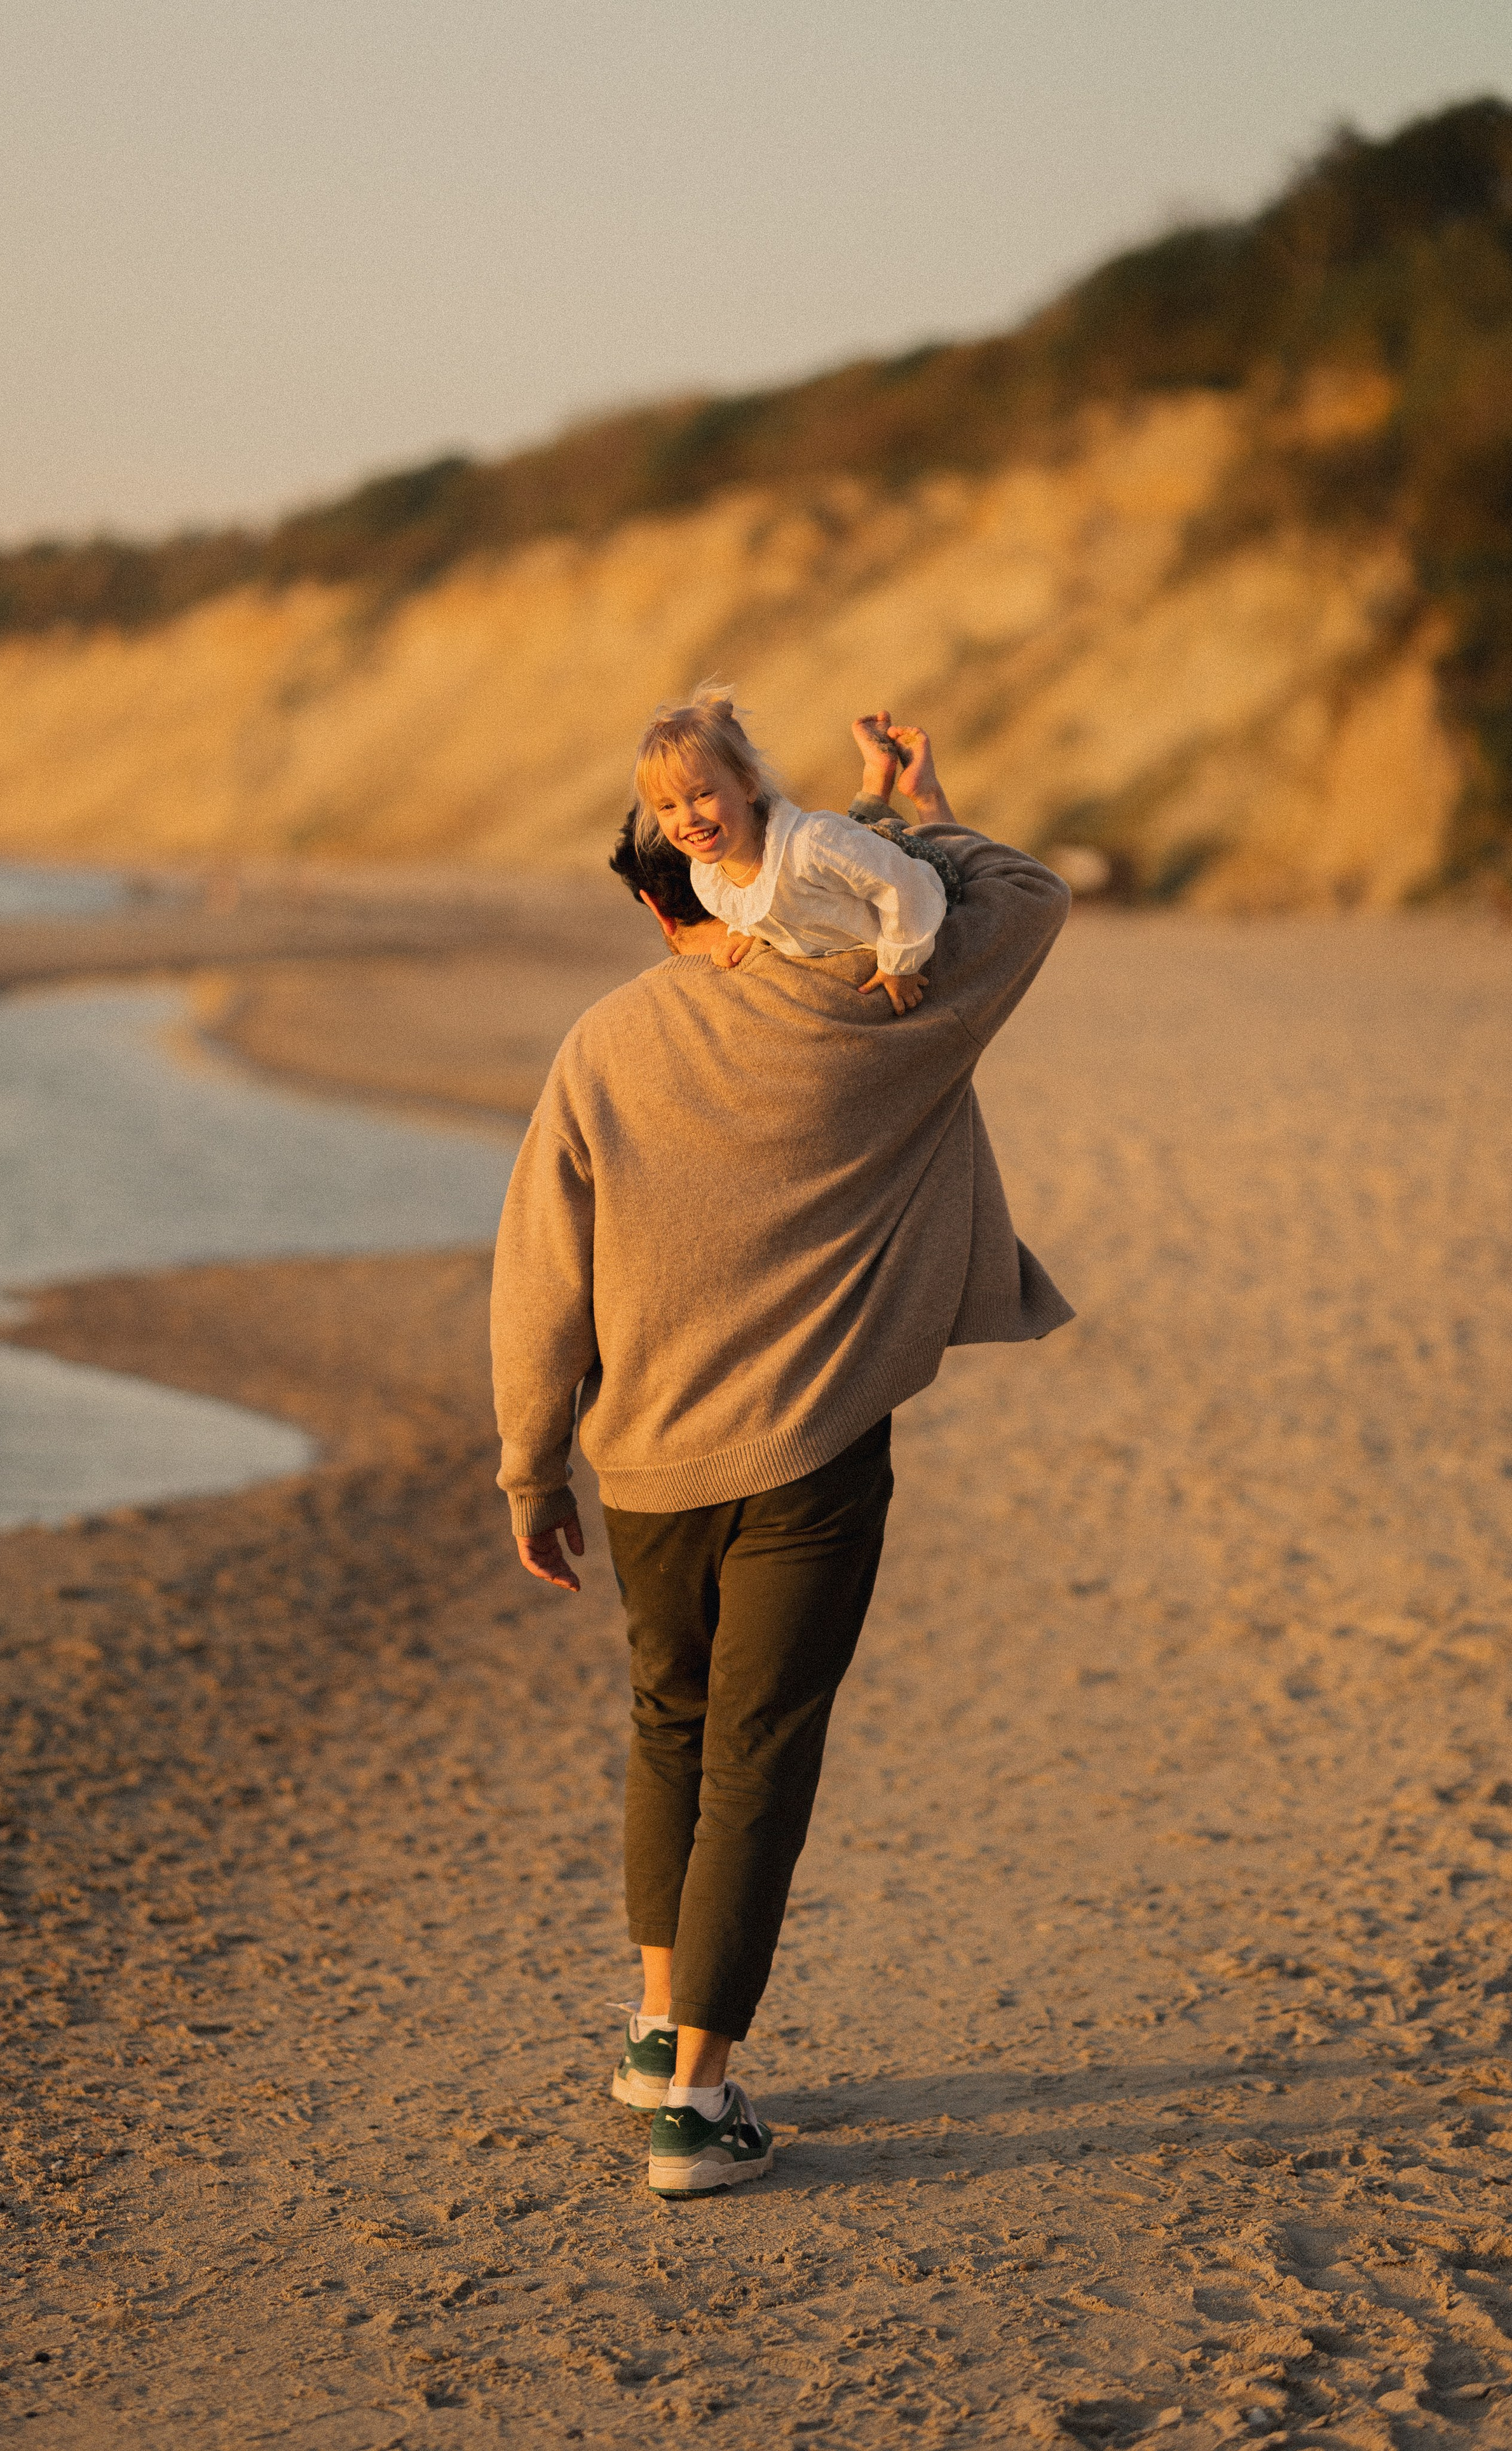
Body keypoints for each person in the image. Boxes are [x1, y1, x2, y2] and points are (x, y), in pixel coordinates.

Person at [490, 711, 1073, 2199]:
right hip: (808, 1451)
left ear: (655, 903)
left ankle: (654, 2034)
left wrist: (529, 1467)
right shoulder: (880, 1012)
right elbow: (1022, 896)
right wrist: (913, 818)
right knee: (756, 1751)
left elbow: (538, 1273)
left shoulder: (602, 1041)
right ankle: (695, 2103)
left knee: (669, 1721)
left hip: (642, 1462)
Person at [634, 686, 956, 1014]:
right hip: (855, 869)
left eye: (702, 795)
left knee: (959, 857)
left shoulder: (810, 846)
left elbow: (907, 887)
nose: (688, 818)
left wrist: (901, 964)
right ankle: (879, 769)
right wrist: (746, 932)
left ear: (748, 785)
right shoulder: (707, 875)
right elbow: (758, 905)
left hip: (919, 884)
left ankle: (925, 790)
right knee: (857, 838)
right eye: (668, 806)